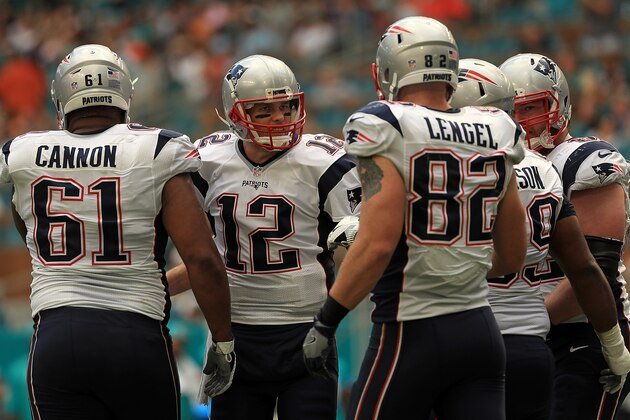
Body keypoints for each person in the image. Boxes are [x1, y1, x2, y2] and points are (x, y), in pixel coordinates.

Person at [302, 16, 528, 420]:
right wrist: (456, 263)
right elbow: (512, 255)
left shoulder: (385, 123)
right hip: (480, 332)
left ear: (389, 69)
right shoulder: (497, 128)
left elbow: (376, 244)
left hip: (410, 329)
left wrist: (327, 320)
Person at [0, 44, 234, 419]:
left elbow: (31, 234)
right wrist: (223, 340)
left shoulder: (23, 153)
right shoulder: (157, 147)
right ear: (124, 92)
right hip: (135, 334)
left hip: (56, 337)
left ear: (61, 98)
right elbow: (203, 259)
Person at [166, 54, 362, 420]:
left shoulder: (324, 161)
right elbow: (204, 258)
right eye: (264, 110)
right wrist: (152, 292)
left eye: (286, 107)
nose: (279, 118)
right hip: (234, 330)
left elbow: (367, 240)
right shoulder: (208, 159)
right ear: (236, 113)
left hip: (307, 330)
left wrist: (334, 314)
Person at [451, 58, 630, 420]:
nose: (521, 119)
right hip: (514, 335)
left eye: (531, 106)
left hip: (581, 330)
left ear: (558, 103)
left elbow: (596, 268)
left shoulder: (581, 160)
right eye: (512, 109)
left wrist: (519, 322)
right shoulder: (485, 167)